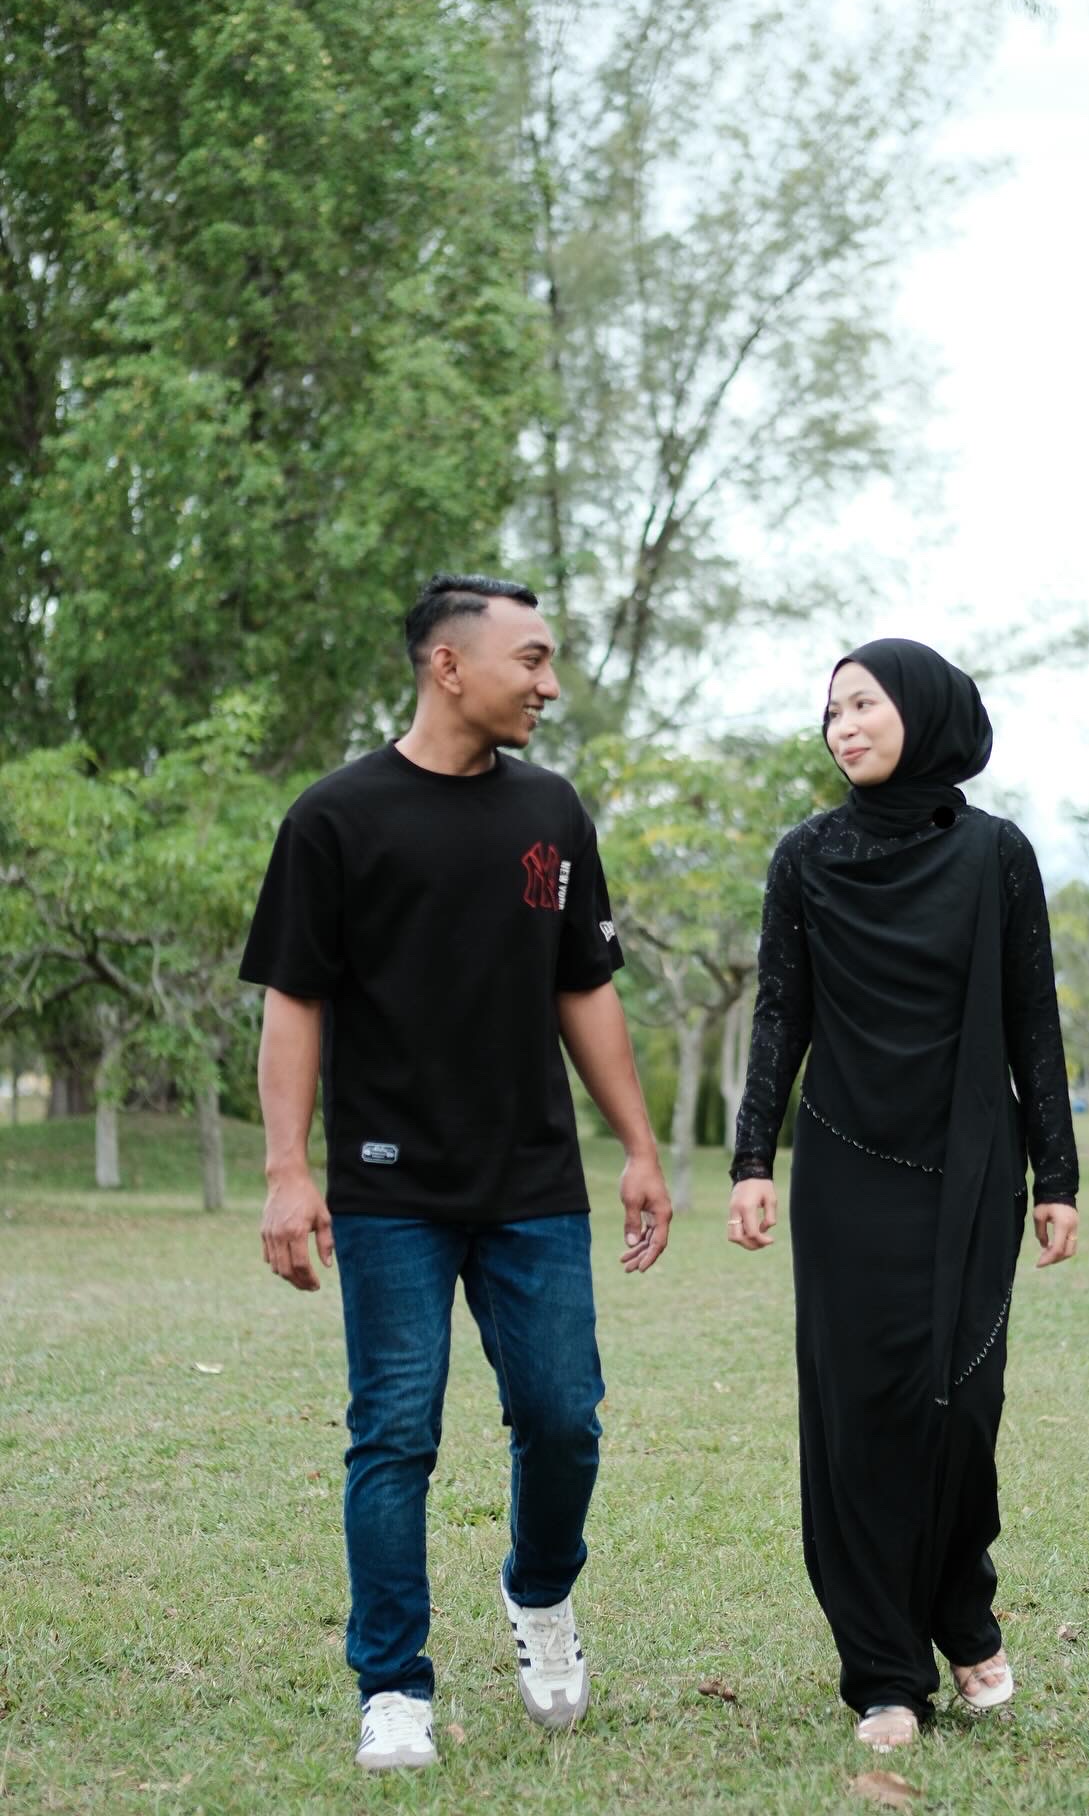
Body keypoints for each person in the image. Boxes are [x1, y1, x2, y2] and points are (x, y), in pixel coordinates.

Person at [240, 573, 672, 1772]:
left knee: (563, 1418)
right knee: (393, 1433)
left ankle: (540, 1592)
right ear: (448, 665)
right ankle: (393, 1686)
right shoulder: (334, 817)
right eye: (530, 659)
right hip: (390, 1188)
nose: (549, 684)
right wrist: (287, 1170)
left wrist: (639, 1147)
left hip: (534, 1180)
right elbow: (294, 1000)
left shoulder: (551, 810)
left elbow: (583, 987)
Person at [727, 639, 1079, 1751]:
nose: (843, 726)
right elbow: (781, 1014)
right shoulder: (806, 856)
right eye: (832, 711)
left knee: (963, 1409)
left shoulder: (996, 854)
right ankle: (885, 1672)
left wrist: (1059, 1177)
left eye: (863, 704)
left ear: (923, 713)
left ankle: (962, 1613)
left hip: (974, 1167)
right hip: (846, 1169)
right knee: (860, 1418)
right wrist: (751, 1161)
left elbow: (1033, 1019)